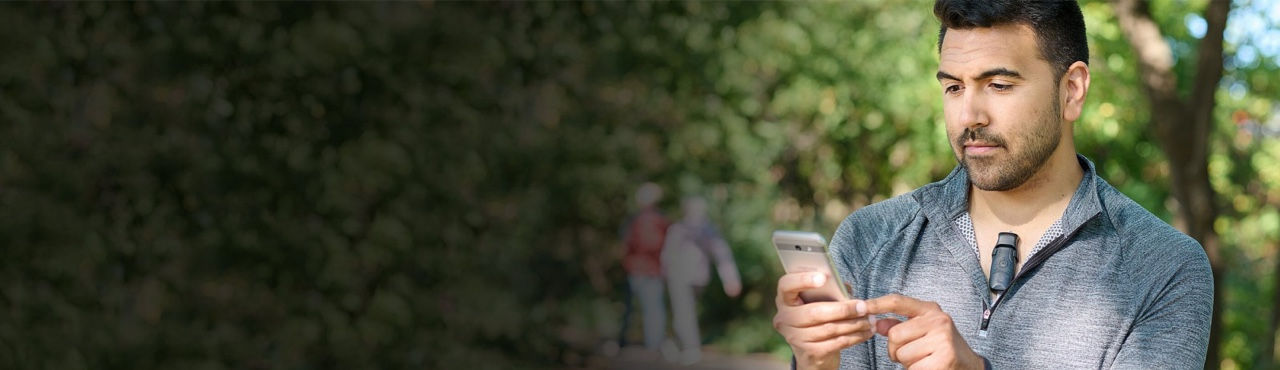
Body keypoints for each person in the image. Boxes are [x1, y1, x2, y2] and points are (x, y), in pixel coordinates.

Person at [772, 1, 1213, 369]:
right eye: (953, 88)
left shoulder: (1164, 267)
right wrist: (817, 365)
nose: (969, 116)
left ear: (1072, 90)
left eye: (999, 85)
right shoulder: (869, 239)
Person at [663, 195, 741, 364]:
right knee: (685, 312)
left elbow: (722, 255)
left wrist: (730, 279)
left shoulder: (707, 230)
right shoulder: (679, 229)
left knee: (685, 312)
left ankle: (683, 345)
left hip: (697, 278)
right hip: (679, 278)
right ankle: (689, 347)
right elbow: (668, 255)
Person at [617, 182, 670, 354]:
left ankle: (623, 342)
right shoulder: (662, 220)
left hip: (636, 268)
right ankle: (654, 344)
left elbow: (626, 243)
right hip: (653, 269)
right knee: (654, 309)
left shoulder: (635, 220)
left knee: (630, 308)